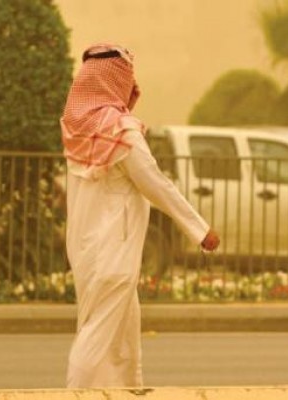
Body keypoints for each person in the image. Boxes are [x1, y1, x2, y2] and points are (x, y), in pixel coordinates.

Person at [61, 43, 220, 388]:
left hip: (87, 248)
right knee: (96, 334)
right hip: (113, 250)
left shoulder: (77, 131)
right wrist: (199, 229)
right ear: (115, 80)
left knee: (123, 333)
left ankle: (126, 389)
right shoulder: (121, 131)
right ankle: (75, 393)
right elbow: (156, 183)